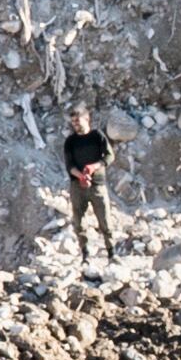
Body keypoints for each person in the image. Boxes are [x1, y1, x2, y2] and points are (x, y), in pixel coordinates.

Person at [61, 108, 116, 263]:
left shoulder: (97, 136)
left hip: (98, 185)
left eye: (77, 121)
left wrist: (94, 166)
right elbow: (69, 165)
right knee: (79, 222)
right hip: (77, 186)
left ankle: (112, 252)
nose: (75, 125)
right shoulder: (70, 141)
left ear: (87, 119)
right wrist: (81, 176)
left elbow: (110, 156)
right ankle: (85, 254)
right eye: (73, 122)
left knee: (105, 220)